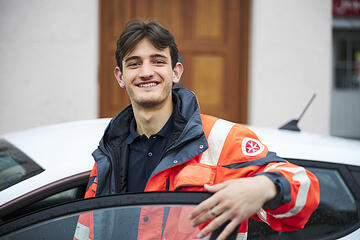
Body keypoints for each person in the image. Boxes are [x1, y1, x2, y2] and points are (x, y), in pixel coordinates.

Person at [74, 19, 320, 240]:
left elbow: (304, 192)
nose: (146, 72)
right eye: (134, 64)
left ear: (176, 72)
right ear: (120, 76)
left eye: (158, 61)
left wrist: (264, 187)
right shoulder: (109, 153)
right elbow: (86, 233)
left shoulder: (222, 139)